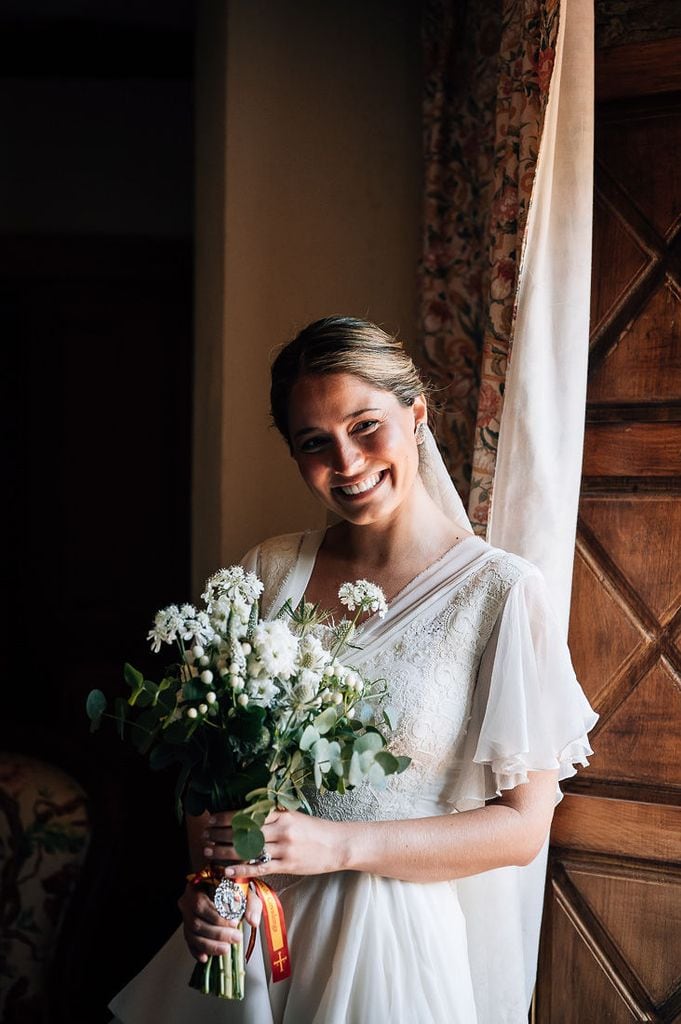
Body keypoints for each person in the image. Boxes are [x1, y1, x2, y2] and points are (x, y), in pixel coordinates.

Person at [110, 316, 598, 1024]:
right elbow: (214, 773)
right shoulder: (267, 570)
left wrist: (336, 844)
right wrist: (210, 888)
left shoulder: (499, 591)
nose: (345, 461)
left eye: (365, 425)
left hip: (387, 946)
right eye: (314, 443)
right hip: (251, 933)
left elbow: (522, 829)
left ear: (417, 413)